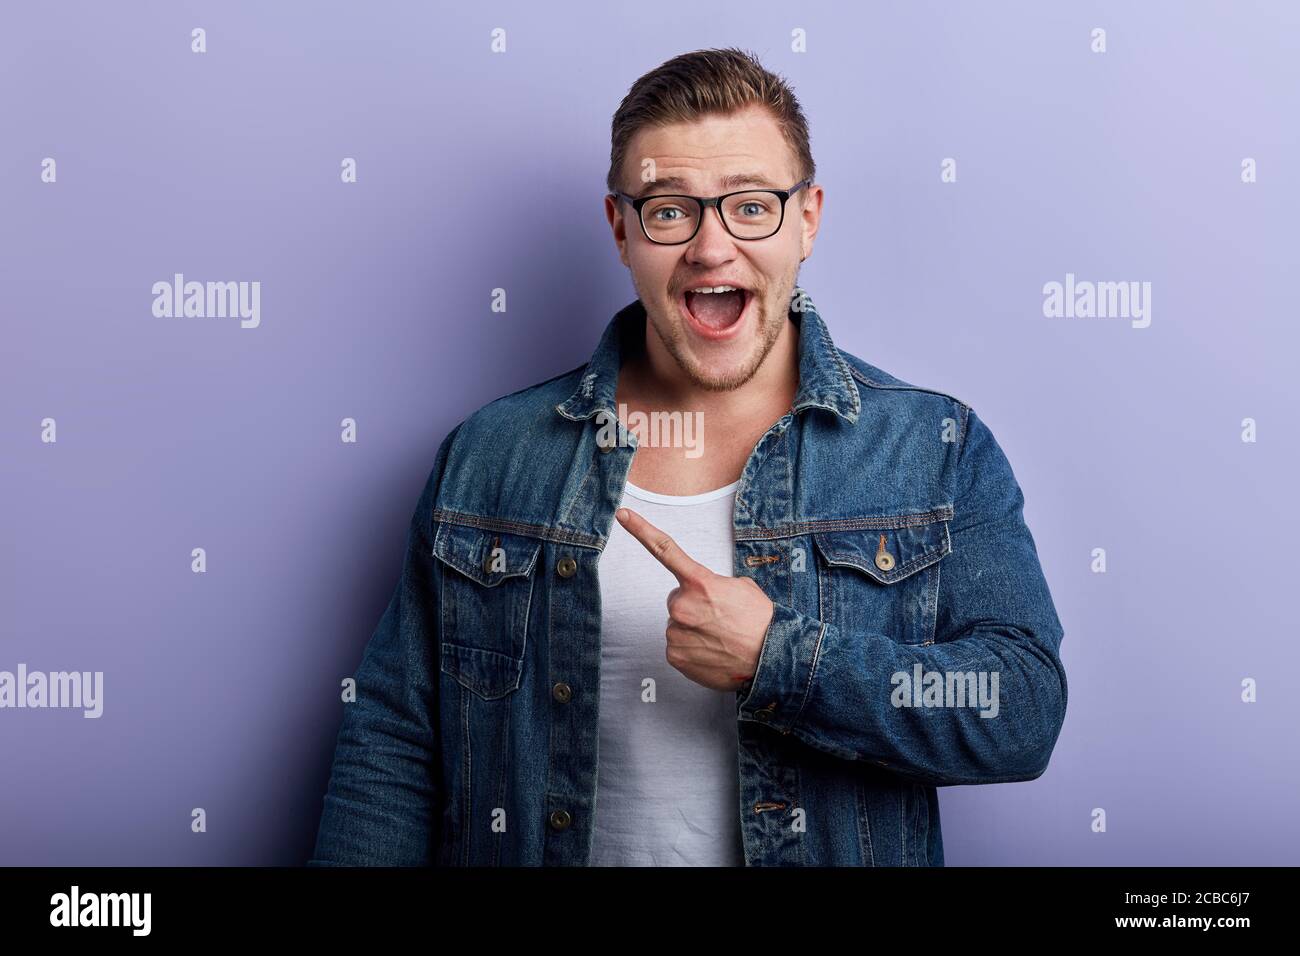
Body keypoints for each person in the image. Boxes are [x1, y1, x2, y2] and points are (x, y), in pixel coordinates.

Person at [309, 47, 1067, 867]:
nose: (712, 249)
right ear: (621, 229)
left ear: (808, 218)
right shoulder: (492, 455)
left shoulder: (933, 449)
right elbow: (390, 741)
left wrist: (780, 659)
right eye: (671, 211)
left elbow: (1018, 711)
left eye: (751, 206)